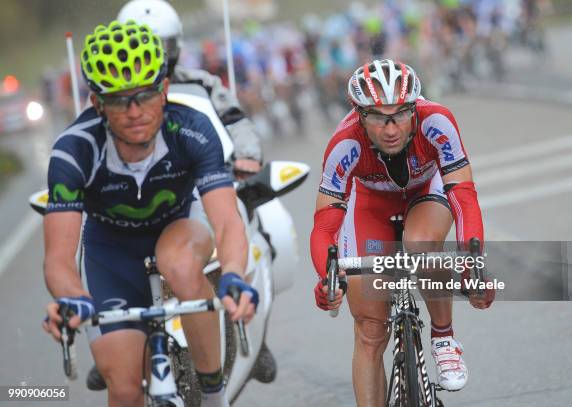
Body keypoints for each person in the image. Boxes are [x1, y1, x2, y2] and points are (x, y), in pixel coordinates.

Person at [42, 20, 258, 407]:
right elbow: (59, 258)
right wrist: (71, 298)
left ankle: (213, 395)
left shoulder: (192, 130)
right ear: (97, 103)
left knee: (176, 260)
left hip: (179, 225)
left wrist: (234, 276)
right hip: (110, 252)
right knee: (124, 390)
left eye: (146, 94)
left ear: (165, 90)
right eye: (120, 99)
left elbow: (227, 222)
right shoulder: (73, 151)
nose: (135, 110)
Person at [310, 59, 494, 404]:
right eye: (378, 117)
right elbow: (324, 226)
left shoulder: (436, 121)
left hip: (427, 194)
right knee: (369, 331)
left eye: (400, 113)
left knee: (420, 244)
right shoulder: (344, 144)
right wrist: (327, 278)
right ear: (359, 115)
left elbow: (465, 199)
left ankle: (443, 337)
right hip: (371, 206)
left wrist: (473, 265)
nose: (391, 128)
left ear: (415, 108)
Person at [117, 0, 262, 175]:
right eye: (140, 49)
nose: (154, 58)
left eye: (163, 47)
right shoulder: (109, 95)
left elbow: (235, 121)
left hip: (207, 178)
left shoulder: (203, 83)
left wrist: (246, 156)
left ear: (177, 44)